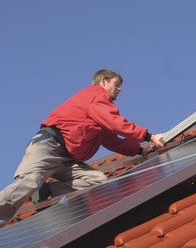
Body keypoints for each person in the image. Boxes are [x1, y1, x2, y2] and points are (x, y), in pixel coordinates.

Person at [0, 69, 166, 227]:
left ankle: (47, 190)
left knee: (97, 180)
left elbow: (112, 141)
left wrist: (140, 150)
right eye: (116, 84)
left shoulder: (97, 117)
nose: (119, 89)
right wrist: (149, 136)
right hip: (49, 146)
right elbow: (115, 122)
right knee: (30, 181)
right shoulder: (95, 95)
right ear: (103, 81)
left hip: (66, 159)